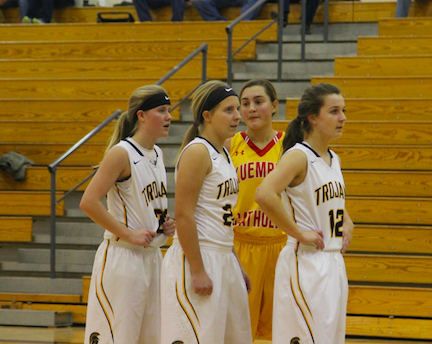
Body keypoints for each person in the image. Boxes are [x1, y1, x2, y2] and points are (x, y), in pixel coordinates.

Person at [255, 83, 355, 344]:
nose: (342, 117)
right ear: (312, 117)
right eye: (334, 111)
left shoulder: (333, 158)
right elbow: (264, 194)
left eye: (343, 110)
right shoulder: (298, 156)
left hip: (333, 263)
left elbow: (333, 204)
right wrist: (298, 232)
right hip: (305, 263)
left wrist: (347, 221)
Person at [80, 85, 176, 344]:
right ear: (141, 115)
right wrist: (128, 233)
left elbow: (144, 205)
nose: (169, 117)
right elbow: (88, 201)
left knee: (152, 338)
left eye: (169, 110)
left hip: (153, 257)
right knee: (118, 337)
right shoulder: (122, 153)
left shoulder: (157, 152)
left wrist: (163, 225)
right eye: (162, 110)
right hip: (123, 259)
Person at [161, 80, 253, 344]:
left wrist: (234, 261)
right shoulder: (197, 152)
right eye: (229, 109)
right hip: (198, 256)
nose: (238, 116)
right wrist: (198, 270)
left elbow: (220, 217)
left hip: (223, 255)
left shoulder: (224, 152)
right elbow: (184, 216)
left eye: (238, 109)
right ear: (207, 116)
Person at [224, 78, 286, 341]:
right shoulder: (229, 144)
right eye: (245, 104)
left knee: (281, 329)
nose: (250, 109)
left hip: (280, 245)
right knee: (239, 330)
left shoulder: (290, 145)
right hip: (242, 245)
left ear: (273, 106)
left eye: (258, 102)